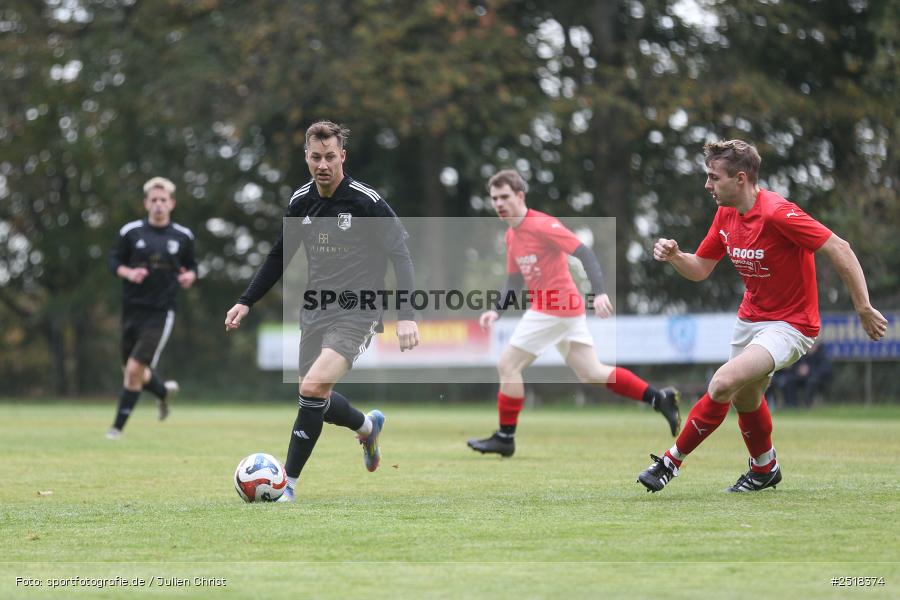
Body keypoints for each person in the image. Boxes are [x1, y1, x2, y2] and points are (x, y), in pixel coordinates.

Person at [637, 139, 887, 493]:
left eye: (713, 177)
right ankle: (764, 468)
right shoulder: (726, 213)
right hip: (751, 318)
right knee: (745, 398)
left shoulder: (777, 213)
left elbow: (839, 247)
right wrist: (677, 255)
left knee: (723, 382)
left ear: (740, 179)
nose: (707, 185)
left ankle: (669, 463)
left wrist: (862, 307)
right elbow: (701, 269)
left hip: (792, 325)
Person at [224, 121, 419, 502]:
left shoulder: (367, 202)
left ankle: (287, 486)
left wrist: (407, 313)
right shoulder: (301, 202)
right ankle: (366, 426)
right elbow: (279, 256)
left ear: (342, 156)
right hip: (316, 310)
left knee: (312, 389)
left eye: (331, 156)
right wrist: (246, 300)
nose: (323, 164)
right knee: (313, 395)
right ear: (307, 157)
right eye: (316, 157)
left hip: (359, 310)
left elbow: (401, 254)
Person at [467, 169, 681, 458]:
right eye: (494, 199)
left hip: (553, 308)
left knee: (508, 365)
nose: (499, 204)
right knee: (592, 373)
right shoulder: (511, 236)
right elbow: (515, 280)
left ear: (520, 196)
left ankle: (505, 437)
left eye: (504, 197)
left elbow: (584, 253)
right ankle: (660, 398)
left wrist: (600, 292)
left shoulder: (542, 224)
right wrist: (496, 311)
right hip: (562, 311)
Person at [106, 177, 197, 439]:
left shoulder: (183, 236)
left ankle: (116, 429)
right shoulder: (131, 232)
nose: (158, 204)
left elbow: (192, 266)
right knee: (134, 373)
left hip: (160, 312)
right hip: (132, 310)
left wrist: (189, 276)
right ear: (146, 203)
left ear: (172, 203)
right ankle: (163, 392)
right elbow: (113, 261)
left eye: (163, 200)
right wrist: (128, 272)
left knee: (134, 370)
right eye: (154, 200)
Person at [766, 341, 833, 408]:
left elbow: (825, 369)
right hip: (801, 377)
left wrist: (810, 371)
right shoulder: (802, 353)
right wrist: (799, 369)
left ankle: (808, 404)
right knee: (790, 380)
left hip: (815, 378)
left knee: (811, 382)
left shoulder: (822, 354)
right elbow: (795, 366)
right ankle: (791, 404)